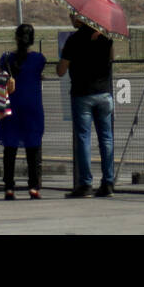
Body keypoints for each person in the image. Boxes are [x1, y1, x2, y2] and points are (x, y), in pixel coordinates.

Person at [57, 15, 116, 198]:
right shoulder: (105, 38)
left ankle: (85, 184)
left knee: (84, 138)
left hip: (83, 93)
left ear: (81, 19)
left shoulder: (74, 39)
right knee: (106, 138)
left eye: (73, 15)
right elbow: (111, 58)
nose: (70, 18)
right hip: (104, 93)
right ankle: (108, 182)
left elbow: (61, 70)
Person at [0, 23, 45, 200]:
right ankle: (34, 186)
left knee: (10, 147)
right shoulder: (39, 59)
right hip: (32, 106)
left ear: (16, 38)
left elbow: (0, 78)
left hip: (12, 105)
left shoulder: (6, 58)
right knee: (33, 147)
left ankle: (9, 187)